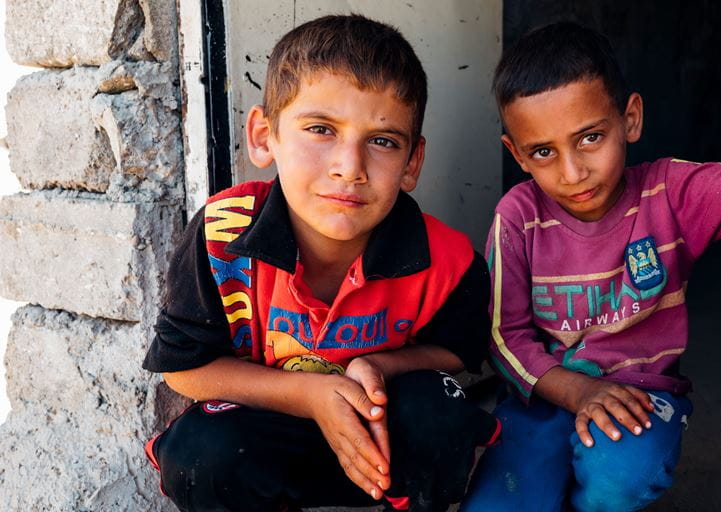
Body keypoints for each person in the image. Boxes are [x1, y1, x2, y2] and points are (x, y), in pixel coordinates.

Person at [142, 15, 499, 512]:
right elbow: (184, 369)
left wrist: (378, 364)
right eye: (320, 129)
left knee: (440, 413)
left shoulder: (447, 261)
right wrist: (311, 395)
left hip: (379, 440)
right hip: (267, 432)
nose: (349, 167)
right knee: (200, 452)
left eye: (383, 140)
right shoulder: (223, 235)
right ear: (265, 136)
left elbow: (458, 352)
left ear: (412, 162)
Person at [461, 22, 721, 512]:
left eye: (590, 137)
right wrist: (576, 391)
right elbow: (503, 336)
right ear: (517, 154)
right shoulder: (518, 216)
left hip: (641, 395)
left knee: (617, 481)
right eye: (544, 152)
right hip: (547, 392)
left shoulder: (671, 194)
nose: (572, 173)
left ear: (630, 118)